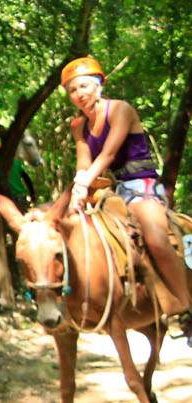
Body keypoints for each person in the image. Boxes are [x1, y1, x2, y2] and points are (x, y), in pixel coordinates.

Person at [61, 56, 190, 320]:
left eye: (84, 86)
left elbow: (108, 155)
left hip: (143, 187)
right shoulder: (79, 126)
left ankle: (187, 306)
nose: (79, 94)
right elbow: (83, 161)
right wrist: (78, 190)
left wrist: (84, 182)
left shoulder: (120, 110)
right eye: (72, 90)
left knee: (155, 237)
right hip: (115, 191)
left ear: (99, 85)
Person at [0, 137, 36, 211]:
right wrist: (32, 194)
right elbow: (26, 178)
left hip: (5, 201)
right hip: (21, 197)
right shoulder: (14, 162)